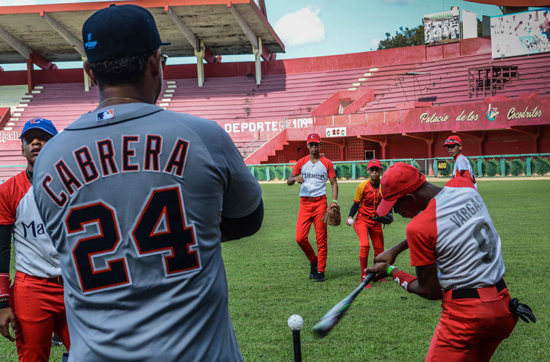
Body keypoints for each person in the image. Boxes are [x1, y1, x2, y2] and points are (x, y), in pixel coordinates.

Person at [32, 4, 263, 362]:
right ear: (156, 61)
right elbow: (249, 218)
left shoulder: (48, 158)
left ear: (90, 71)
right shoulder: (203, 136)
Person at [367, 162, 524, 361]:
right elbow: (450, 221)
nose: (395, 213)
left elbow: (429, 291)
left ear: (410, 199)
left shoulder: (419, 227)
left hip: (466, 317)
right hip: (503, 307)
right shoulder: (464, 185)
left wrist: (391, 271)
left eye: (396, 206)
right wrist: (397, 248)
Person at [0, 118, 70, 361]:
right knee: (33, 357)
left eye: (43, 138)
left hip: (74, 285)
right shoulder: (9, 189)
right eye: (29, 139)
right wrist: (2, 302)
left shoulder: (75, 184)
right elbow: (1, 249)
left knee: (92, 353)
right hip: (32, 287)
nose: (36, 143)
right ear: (22, 149)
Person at [287, 133, 338, 282]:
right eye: (311, 144)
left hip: (321, 203)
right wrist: (294, 178)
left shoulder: (327, 163)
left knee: (321, 239)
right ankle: (313, 261)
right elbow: (288, 180)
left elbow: (334, 183)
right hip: (304, 203)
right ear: (307, 146)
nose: (314, 147)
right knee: (300, 238)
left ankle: (321, 271)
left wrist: (334, 201)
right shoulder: (301, 162)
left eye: (316, 144)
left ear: (320, 146)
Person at [346, 159, 387, 288]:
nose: (374, 172)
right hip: (362, 220)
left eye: (377, 170)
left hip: (376, 221)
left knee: (379, 250)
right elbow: (356, 204)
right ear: (368, 171)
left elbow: (388, 202)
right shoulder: (362, 186)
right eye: (372, 170)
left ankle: (376, 274)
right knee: (365, 245)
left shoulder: (384, 186)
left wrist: (389, 214)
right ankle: (364, 276)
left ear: (381, 171)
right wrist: (350, 216)